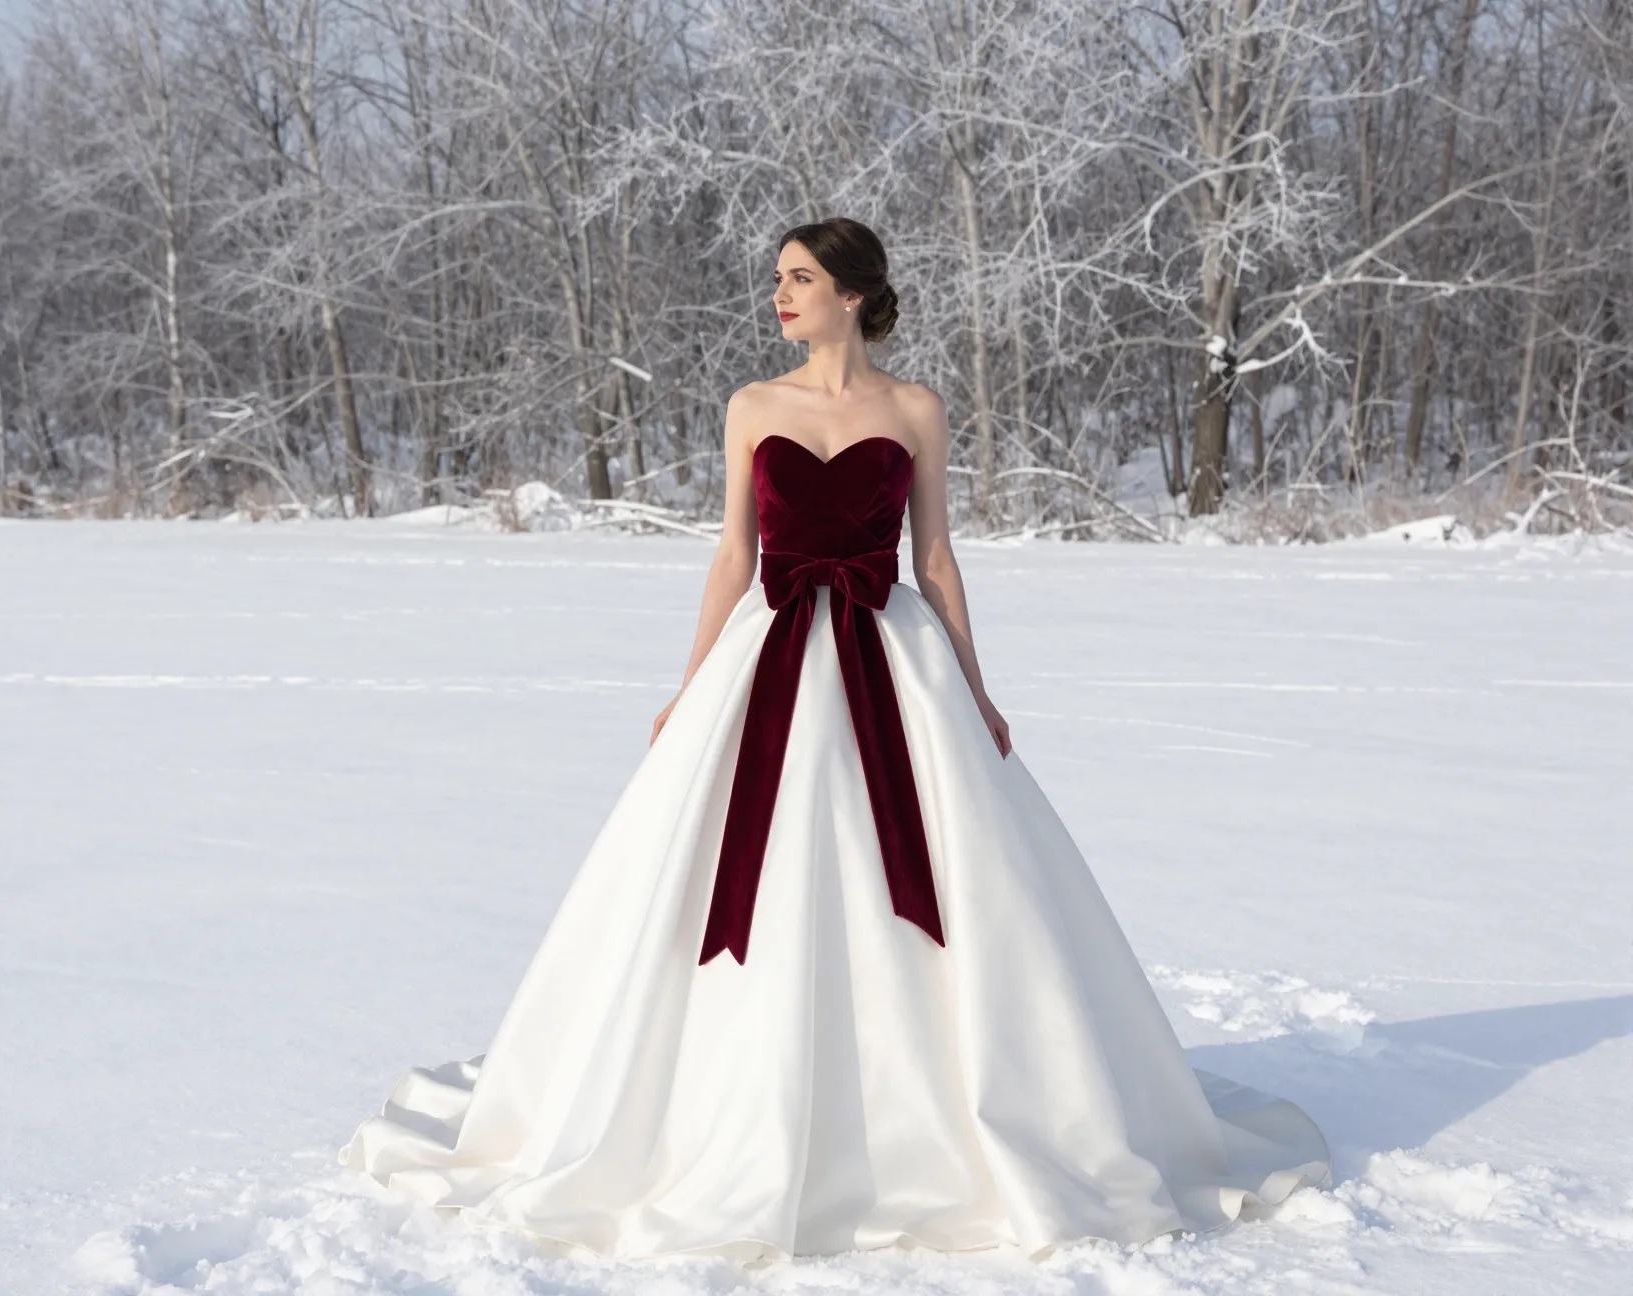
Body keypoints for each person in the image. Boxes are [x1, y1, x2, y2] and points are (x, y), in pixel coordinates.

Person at [340, 217, 1330, 1262]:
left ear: (854, 294)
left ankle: (931, 1118)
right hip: (764, 662)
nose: (781, 295)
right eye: (779, 278)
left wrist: (978, 692)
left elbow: (937, 559)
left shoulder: (915, 410)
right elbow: (731, 554)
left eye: (801, 279)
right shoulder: (753, 406)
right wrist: (688, 695)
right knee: (747, 878)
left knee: (940, 884)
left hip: (894, 660)